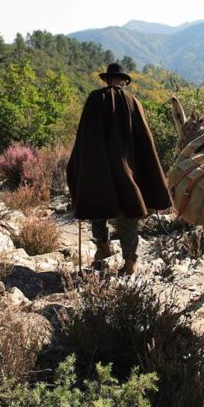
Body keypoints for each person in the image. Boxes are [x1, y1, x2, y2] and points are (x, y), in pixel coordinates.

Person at [66, 62, 172, 275]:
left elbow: (85, 136)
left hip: (99, 167)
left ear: (106, 79)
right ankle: (129, 260)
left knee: (97, 206)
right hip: (127, 170)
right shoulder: (134, 102)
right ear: (123, 81)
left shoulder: (95, 99)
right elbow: (145, 143)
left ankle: (103, 247)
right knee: (129, 212)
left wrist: (78, 165)